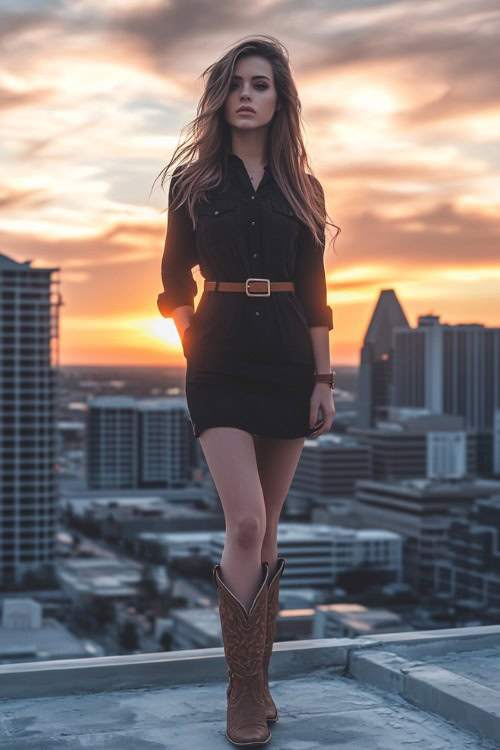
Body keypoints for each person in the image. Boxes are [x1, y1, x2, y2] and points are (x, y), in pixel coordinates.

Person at [154, 35, 339, 747]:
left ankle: (261, 680)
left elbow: (318, 295)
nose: (246, 95)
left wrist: (324, 378)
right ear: (220, 97)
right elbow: (174, 286)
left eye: (260, 84)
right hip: (221, 361)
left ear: (279, 98)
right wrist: (195, 345)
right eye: (235, 83)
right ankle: (242, 688)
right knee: (246, 523)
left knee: (272, 528)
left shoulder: (303, 189)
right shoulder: (193, 183)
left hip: (291, 360)